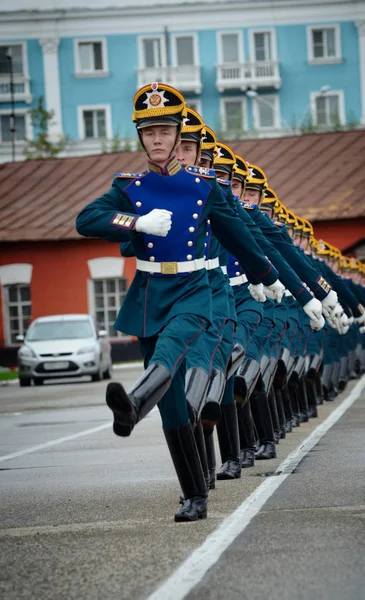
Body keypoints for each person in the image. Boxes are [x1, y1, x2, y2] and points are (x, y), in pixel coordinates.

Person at [76, 82, 284, 522]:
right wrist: (136, 222)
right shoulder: (130, 187)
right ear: (141, 138)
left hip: (194, 290)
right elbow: (86, 219)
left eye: (165, 132)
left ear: (177, 136)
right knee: (172, 407)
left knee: (173, 345)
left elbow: (238, 236)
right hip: (151, 293)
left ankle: (132, 404)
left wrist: (267, 276)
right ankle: (195, 496)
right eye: (149, 132)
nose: (157, 140)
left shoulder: (205, 187)